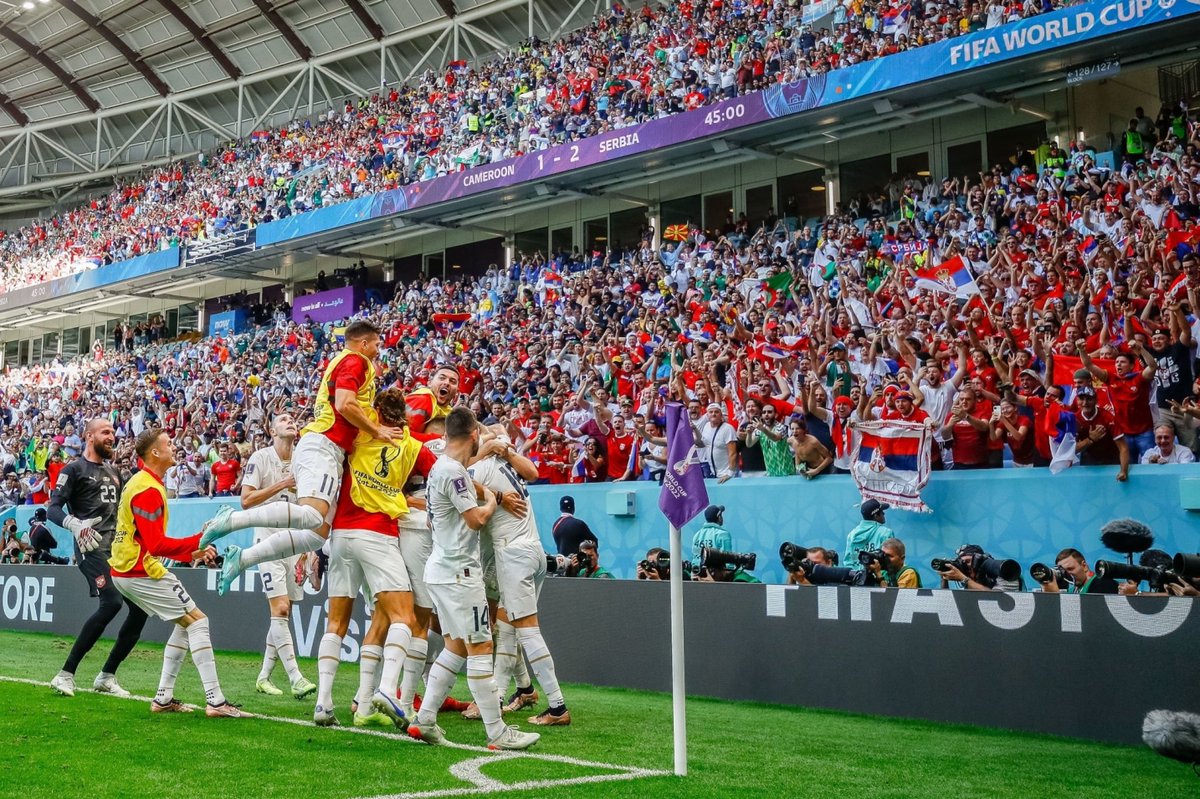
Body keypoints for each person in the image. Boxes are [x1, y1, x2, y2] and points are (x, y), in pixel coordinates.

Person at [204, 320, 405, 590]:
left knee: (315, 536)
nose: (379, 351)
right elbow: (345, 404)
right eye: (377, 345)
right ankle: (232, 520)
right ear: (364, 343)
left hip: (329, 450)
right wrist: (377, 430)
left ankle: (243, 558)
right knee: (312, 515)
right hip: (323, 444)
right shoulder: (356, 361)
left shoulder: (348, 363)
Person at [407, 406, 539, 750]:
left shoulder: (440, 468)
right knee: (481, 646)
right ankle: (498, 732)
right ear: (474, 435)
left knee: (455, 647)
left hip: (440, 570)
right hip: (460, 574)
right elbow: (476, 520)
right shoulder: (453, 472)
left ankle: (425, 720)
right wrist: (493, 503)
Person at [315, 388, 439, 728]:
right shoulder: (413, 446)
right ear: (407, 416)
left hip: (341, 536)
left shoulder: (356, 436)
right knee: (404, 617)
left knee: (336, 623)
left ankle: (325, 703)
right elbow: (442, 475)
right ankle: (387, 689)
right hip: (378, 534)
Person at [108, 428, 250, 717]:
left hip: (129, 567)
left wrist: (194, 550)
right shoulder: (147, 489)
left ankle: (163, 699)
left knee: (186, 622)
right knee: (198, 621)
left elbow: (152, 542)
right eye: (168, 444)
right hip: (138, 569)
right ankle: (216, 701)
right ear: (155, 453)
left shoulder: (144, 483)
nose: (173, 447)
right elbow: (156, 544)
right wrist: (201, 540)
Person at [469, 434, 570, 726]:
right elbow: (534, 473)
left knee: (527, 632)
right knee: (507, 628)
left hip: (512, 555)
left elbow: (456, 479)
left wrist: (484, 452)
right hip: (535, 551)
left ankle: (558, 706)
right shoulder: (509, 465)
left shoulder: (483, 467)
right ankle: (499, 698)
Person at [47, 418, 146, 699]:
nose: (111, 437)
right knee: (112, 602)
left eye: (113, 432)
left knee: (140, 609)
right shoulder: (74, 469)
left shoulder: (115, 471)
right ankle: (65, 674)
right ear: (89, 437)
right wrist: (75, 525)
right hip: (90, 547)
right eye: (105, 432)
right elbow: (53, 508)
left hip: (116, 550)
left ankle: (106, 676)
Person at [239, 413, 317, 700]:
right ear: (272, 430)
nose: (290, 421)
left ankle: (263, 677)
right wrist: (282, 484)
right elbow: (246, 500)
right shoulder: (260, 458)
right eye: (283, 419)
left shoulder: (303, 459)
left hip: (294, 543)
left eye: (292, 418)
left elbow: (309, 507)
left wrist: (308, 550)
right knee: (281, 609)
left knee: (286, 612)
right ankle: (296, 678)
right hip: (267, 540)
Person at [406, 365, 460, 440]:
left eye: (452, 381)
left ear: (457, 391)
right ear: (430, 383)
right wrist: (440, 439)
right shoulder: (422, 400)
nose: (447, 383)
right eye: (442, 378)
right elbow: (402, 435)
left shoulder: (449, 411)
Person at [1037, 548, 1118, 594]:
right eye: (1063, 572)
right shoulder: (1072, 590)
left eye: (1070, 569)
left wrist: (1055, 596)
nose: (1067, 574)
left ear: (1084, 566)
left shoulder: (1103, 583)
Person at [843, 499, 892, 566]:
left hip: (857, 575)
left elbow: (848, 563)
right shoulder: (886, 533)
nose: (884, 513)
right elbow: (890, 562)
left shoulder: (852, 535)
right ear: (876, 516)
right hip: (879, 575)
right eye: (882, 512)